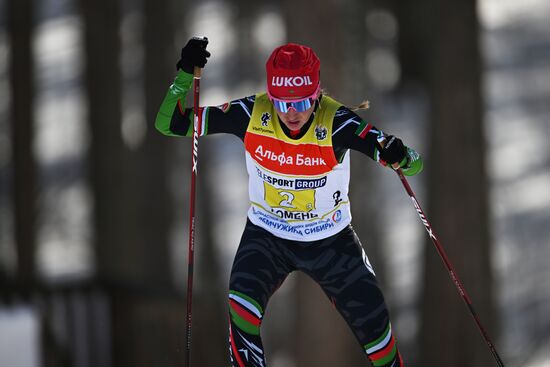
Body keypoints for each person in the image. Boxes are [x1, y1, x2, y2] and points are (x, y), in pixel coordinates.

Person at [155, 36, 422, 367]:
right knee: (241, 308)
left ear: (317, 94)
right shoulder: (252, 113)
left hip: (330, 240)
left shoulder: (337, 122)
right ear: (270, 95)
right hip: (268, 236)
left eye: (302, 101)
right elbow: (170, 123)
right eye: (281, 103)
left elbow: (412, 162)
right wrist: (184, 73)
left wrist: (398, 153)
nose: (292, 112)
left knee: (377, 332)